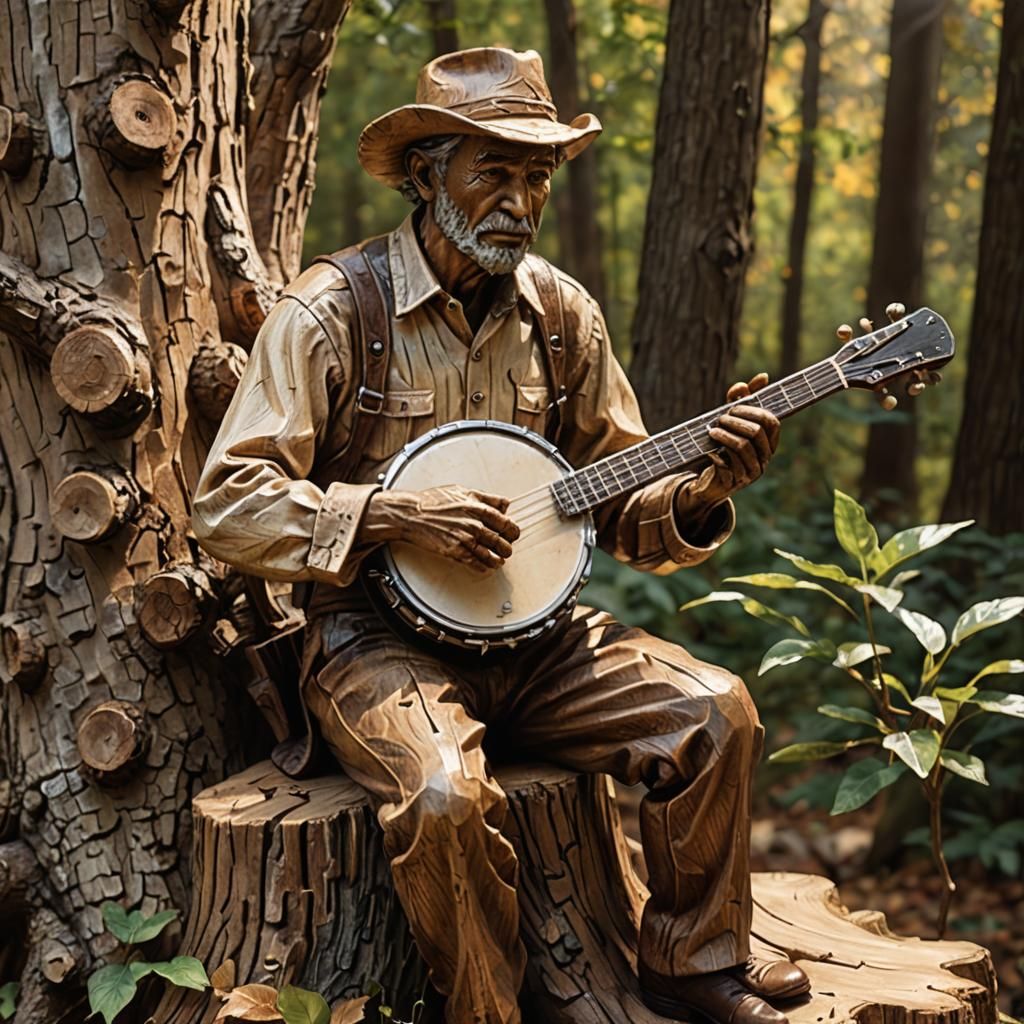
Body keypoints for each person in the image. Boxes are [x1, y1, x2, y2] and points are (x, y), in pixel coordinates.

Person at [193, 46, 811, 1024]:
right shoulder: (331, 311)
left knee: (714, 710)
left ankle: (692, 961)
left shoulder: (563, 318)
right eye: (495, 172)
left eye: (536, 176)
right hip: (372, 641)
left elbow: (623, 508)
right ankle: (490, 1012)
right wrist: (387, 512)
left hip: (543, 639)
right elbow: (225, 502)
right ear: (427, 175)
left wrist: (697, 494)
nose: (520, 200)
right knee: (442, 796)